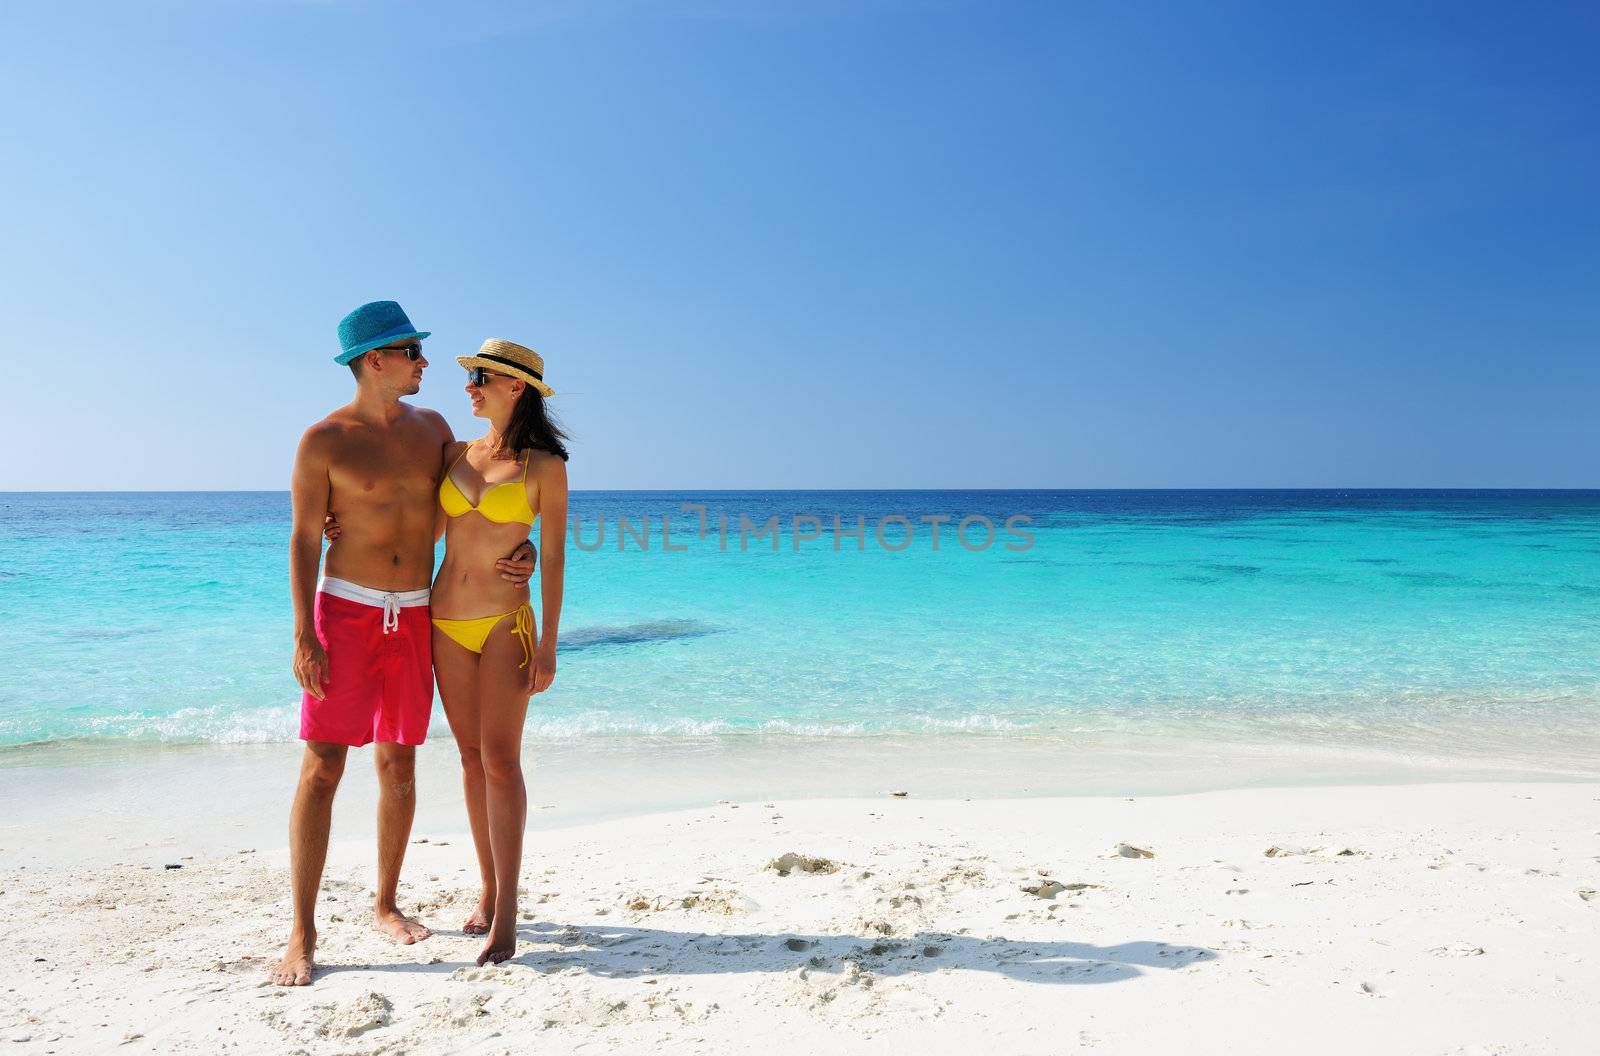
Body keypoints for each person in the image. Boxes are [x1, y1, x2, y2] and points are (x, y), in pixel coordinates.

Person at [270, 302, 533, 988]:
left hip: (416, 614)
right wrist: (304, 633)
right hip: (346, 610)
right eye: (412, 351)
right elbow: (302, 539)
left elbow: (487, 487)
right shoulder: (322, 441)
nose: (423, 363)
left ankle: (386, 902)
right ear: (375, 360)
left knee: (401, 767)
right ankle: (301, 932)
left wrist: (524, 545)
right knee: (323, 765)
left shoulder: (435, 431)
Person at [431, 338, 568, 965]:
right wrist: (340, 526)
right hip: (443, 621)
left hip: (505, 624)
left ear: (515, 387)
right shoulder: (454, 453)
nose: (469, 387)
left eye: (480, 377)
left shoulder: (546, 465)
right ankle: (486, 892)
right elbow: (416, 523)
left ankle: (507, 917)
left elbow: (556, 559)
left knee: (501, 761)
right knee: (466, 758)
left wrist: (547, 645)